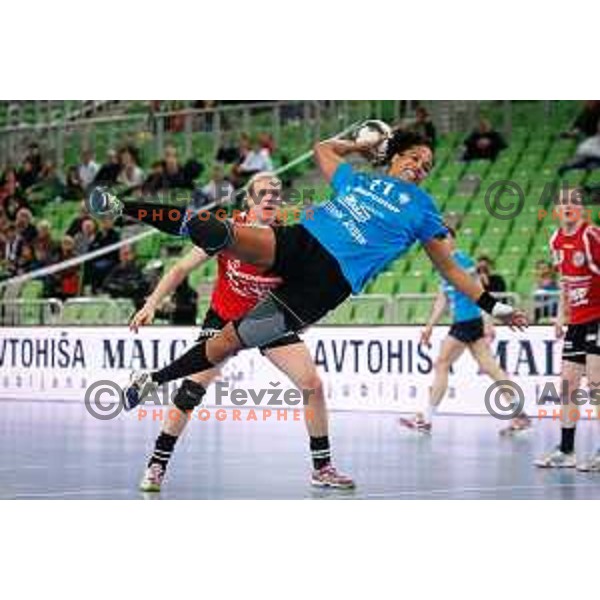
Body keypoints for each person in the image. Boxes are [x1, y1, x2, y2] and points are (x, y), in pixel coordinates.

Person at [89, 128, 527, 416]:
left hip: (325, 285)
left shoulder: (423, 209)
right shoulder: (358, 181)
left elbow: (450, 267)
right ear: (394, 157)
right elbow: (322, 148)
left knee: (225, 343)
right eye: (414, 156)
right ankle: (121, 207)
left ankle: (150, 380)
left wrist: (494, 305)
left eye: (427, 165)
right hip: (302, 243)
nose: (420, 166)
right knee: (215, 230)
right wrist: (359, 146)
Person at [128, 172, 353, 492]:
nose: (269, 199)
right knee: (192, 390)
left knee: (312, 385)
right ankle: (156, 465)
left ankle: (323, 468)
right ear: (248, 200)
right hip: (223, 318)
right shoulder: (231, 230)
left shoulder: (291, 237)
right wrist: (151, 303)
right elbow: (180, 268)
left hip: (266, 320)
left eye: (275, 194)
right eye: (262, 193)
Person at [399, 228, 531, 434]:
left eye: (445, 237)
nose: (441, 241)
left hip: (467, 321)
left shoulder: (463, 261)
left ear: (453, 240)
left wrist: (489, 322)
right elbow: (443, 298)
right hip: (467, 323)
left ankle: (426, 419)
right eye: (438, 237)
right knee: (491, 368)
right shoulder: (442, 264)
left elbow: (480, 291)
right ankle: (519, 414)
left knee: (442, 363)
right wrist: (429, 327)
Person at [535, 187, 600, 470]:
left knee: (597, 385)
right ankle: (567, 449)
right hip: (577, 320)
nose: (568, 206)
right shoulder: (556, 240)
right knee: (569, 385)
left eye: (574, 202)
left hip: (598, 316)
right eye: (563, 202)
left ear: (583, 209)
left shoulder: (591, 236)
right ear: (557, 210)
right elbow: (564, 281)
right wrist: (562, 315)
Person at [101, 244, 147, 309]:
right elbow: (106, 285)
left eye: (127, 254)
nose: (124, 257)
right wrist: (124, 287)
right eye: (122, 254)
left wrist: (123, 287)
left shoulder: (139, 269)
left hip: (136, 305)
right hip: (118, 306)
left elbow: (142, 286)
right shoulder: (116, 270)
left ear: (133, 255)